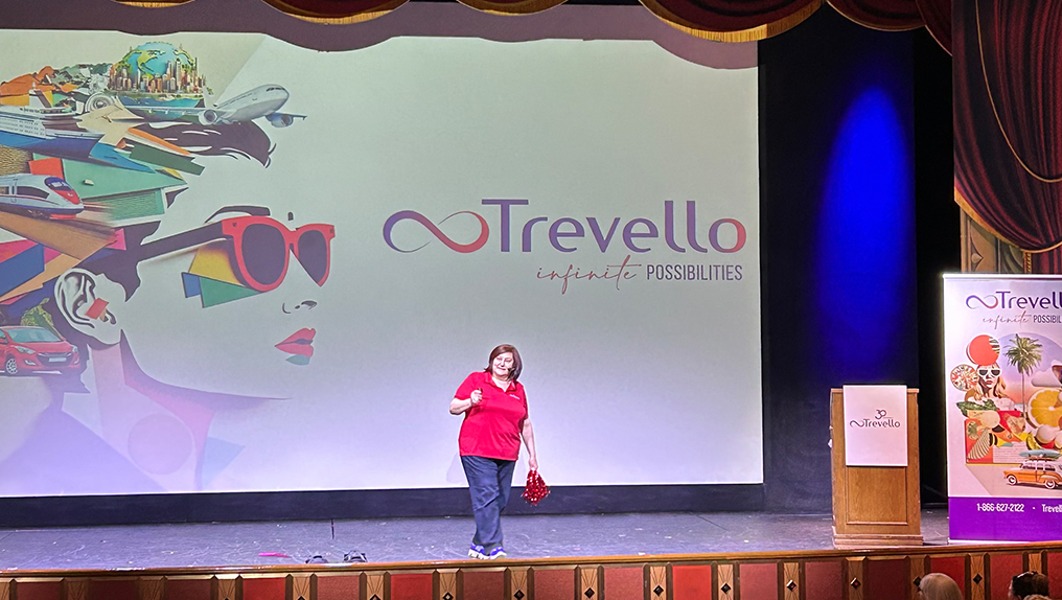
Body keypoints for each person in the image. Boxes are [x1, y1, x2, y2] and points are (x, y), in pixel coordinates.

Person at [450, 344, 539, 560]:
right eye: (498, 358)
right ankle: (493, 547)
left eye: (507, 360)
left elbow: (525, 423)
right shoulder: (477, 380)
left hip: (507, 451)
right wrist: (470, 401)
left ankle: (478, 543)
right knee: (487, 495)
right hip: (476, 449)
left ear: (514, 366)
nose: (501, 363)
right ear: (491, 361)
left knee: (500, 499)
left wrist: (533, 455)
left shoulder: (518, 390)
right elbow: (453, 407)